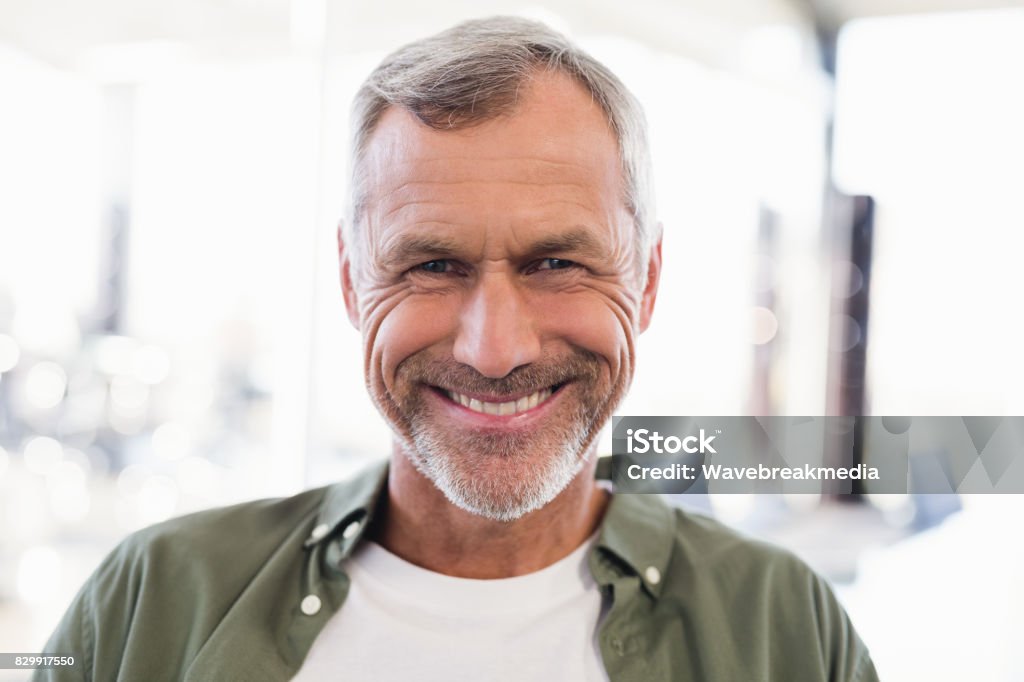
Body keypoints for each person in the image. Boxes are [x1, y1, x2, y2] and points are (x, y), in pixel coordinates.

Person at [36, 17, 878, 682]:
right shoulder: (153, 600)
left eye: (557, 262)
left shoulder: (784, 626)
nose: (495, 349)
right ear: (351, 280)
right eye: (431, 265)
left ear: (648, 280)